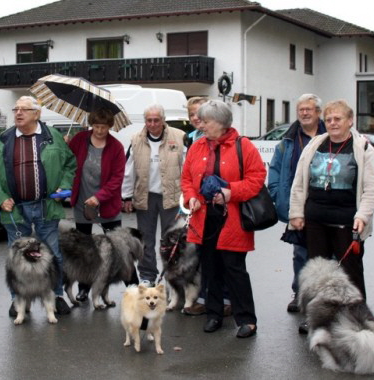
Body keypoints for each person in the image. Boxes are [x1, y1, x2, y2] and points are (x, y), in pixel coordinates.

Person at [0, 95, 76, 317]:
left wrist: (63, 186)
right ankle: (18, 300)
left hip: (46, 206)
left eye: (24, 109)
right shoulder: (4, 140)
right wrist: (0, 198)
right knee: (17, 256)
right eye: (16, 109)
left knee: (53, 253)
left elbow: (70, 165)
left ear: (37, 114)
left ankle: (56, 296)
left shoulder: (53, 137)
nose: (18, 113)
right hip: (15, 209)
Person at [181, 99, 264, 338]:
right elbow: (186, 178)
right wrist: (191, 198)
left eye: (206, 121)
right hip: (204, 218)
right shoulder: (197, 147)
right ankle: (214, 314)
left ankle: (247, 319)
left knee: (235, 270)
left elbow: (257, 178)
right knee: (210, 270)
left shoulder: (244, 146)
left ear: (221, 123)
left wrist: (231, 192)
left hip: (233, 218)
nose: (201, 124)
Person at [289, 100, 374, 301]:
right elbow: (300, 181)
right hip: (315, 219)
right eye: (328, 119)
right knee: (318, 272)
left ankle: (356, 317)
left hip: (347, 221)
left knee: (350, 272)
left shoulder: (363, 147)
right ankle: (317, 315)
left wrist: (363, 216)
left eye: (337, 118)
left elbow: (371, 189)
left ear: (350, 121)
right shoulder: (315, 144)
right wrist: (296, 212)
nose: (332, 123)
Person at [268, 94, 326, 313]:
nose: (304, 113)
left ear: (318, 112)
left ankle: (322, 294)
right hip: (297, 204)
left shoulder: (329, 135)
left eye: (309, 109)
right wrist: (276, 193)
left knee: (325, 252)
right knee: (300, 251)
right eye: (301, 109)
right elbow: (274, 169)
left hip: (323, 202)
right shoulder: (288, 140)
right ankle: (300, 293)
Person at [67, 108, 133, 301]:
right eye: (96, 126)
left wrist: (99, 197)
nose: (99, 130)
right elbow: (68, 163)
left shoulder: (116, 147)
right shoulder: (79, 140)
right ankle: (84, 288)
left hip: (107, 204)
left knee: (118, 248)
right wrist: (64, 147)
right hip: (82, 203)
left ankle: (132, 287)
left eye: (103, 127)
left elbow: (117, 178)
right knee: (85, 249)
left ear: (110, 127)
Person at [122, 104, 186, 285]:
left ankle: (173, 276)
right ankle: (147, 276)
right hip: (146, 196)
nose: (152, 124)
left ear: (163, 120)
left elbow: (187, 167)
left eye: (156, 120)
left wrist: (187, 196)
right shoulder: (135, 140)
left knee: (172, 240)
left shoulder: (179, 137)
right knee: (145, 240)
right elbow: (129, 171)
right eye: (149, 120)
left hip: (172, 196)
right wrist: (126, 196)